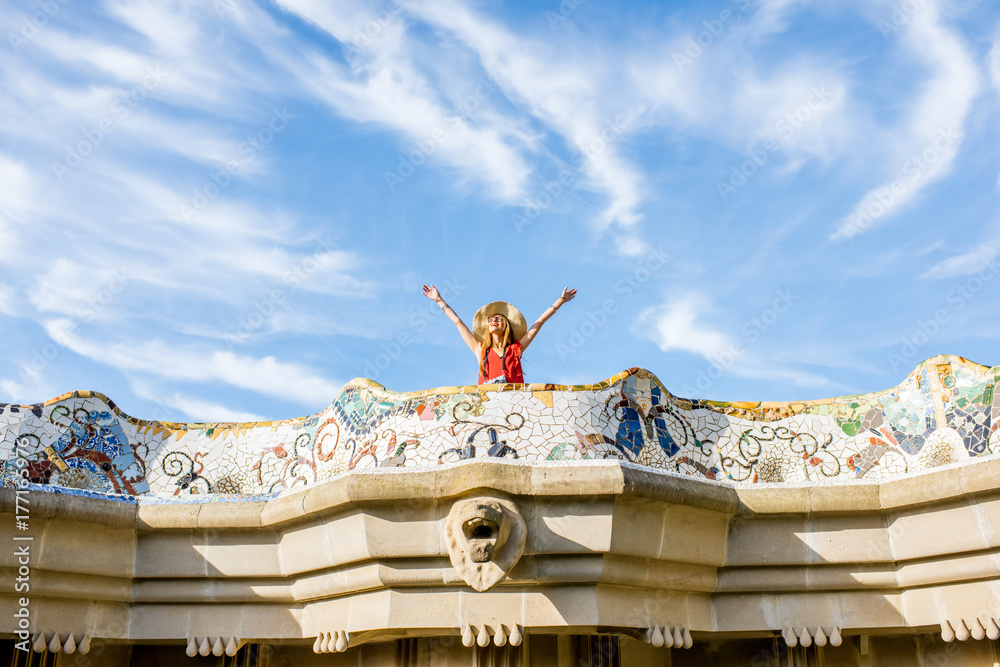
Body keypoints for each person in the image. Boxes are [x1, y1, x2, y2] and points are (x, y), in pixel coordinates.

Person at [422, 285, 577, 384]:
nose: (493, 321)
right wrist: (439, 300)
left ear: (506, 325)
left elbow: (540, 322)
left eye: (498, 319)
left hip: (514, 404)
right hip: (488, 405)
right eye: (491, 319)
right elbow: (457, 322)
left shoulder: (516, 349)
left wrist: (561, 301)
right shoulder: (480, 349)